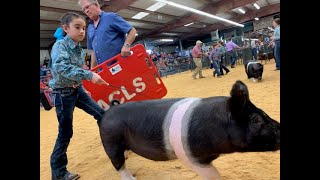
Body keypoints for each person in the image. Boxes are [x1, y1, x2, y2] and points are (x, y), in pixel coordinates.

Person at [49, 12, 109, 180]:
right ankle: (59, 173)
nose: (82, 31)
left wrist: (82, 85)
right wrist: (89, 76)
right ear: (65, 29)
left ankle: (113, 146)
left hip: (77, 91)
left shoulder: (78, 49)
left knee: (102, 114)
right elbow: (62, 68)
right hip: (63, 94)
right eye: (77, 27)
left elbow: (77, 71)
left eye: (83, 27)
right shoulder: (60, 45)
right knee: (65, 133)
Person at [78, 0, 137, 68]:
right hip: (105, 69)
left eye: (87, 7)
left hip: (121, 64)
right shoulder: (90, 28)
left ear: (96, 5)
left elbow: (132, 31)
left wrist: (126, 46)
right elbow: (92, 51)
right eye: (84, 10)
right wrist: (93, 69)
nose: (86, 11)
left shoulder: (111, 17)